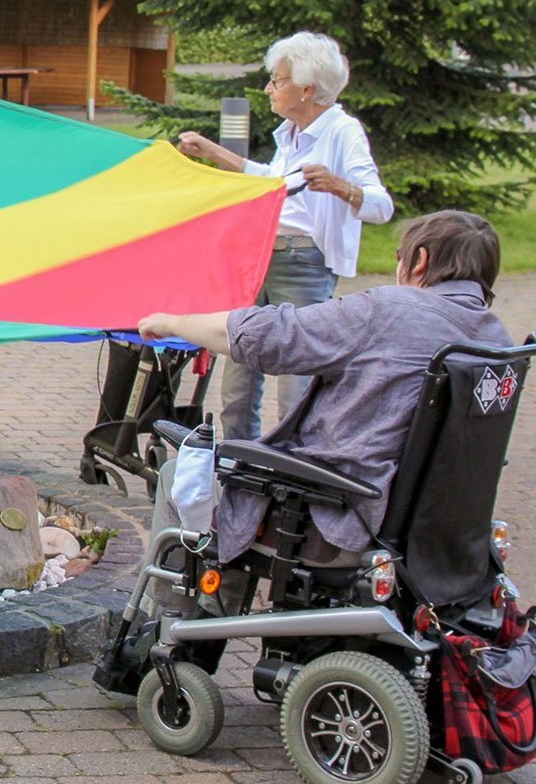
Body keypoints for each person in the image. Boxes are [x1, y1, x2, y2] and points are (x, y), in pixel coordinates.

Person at [136, 210, 511, 612]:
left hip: (341, 520)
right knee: (246, 484)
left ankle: (173, 626)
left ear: (418, 260)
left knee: (184, 477)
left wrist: (173, 322)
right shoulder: (498, 340)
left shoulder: (386, 311)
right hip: (434, 532)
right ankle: (213, 613)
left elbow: (267, 337)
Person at [175, 33, 394, 439]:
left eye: (277, 81)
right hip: (257, 260)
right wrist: (213, 152)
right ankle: (240, 468)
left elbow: (382, 206)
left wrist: (341, 187)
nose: (268, 89)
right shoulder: (290, 133)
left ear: (307, 89)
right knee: (237, 382)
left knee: (295, 386)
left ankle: (292, 477)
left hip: (303, 265)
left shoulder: (342, 132)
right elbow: (274, 183)